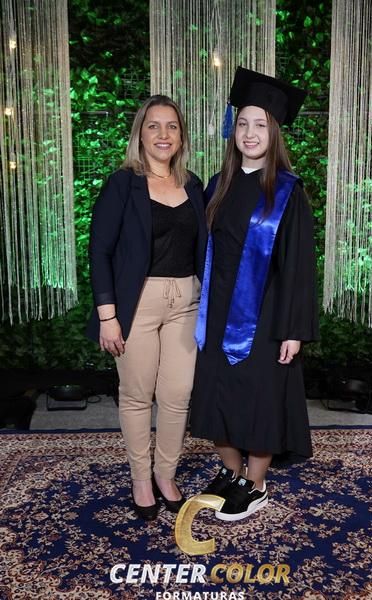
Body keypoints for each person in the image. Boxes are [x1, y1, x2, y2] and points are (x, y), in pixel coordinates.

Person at [190, 67, 319, 522]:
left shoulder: (287, 192)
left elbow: (299, 267)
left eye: (260, 124)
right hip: (217, 308)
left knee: (258, 398)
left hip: (266, 314)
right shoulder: (217, 184)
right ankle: (232, 472)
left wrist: (293, 330)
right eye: (242, 123)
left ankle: (257, 483)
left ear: (274, 132)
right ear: (233, 130)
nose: (249, 133)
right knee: (216, 392)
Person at [86, 95, 207, 521]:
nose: (163, 134)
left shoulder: (193, 185)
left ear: (181, 136)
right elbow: (99, 251)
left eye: (171, 126)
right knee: (137, 394)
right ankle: (141, 478)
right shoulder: (123, 184)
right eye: (153, 126)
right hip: (136, 303)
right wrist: (108, 315)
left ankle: (165, 474)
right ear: (140, 134)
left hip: (186, 300)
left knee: (178, 394)